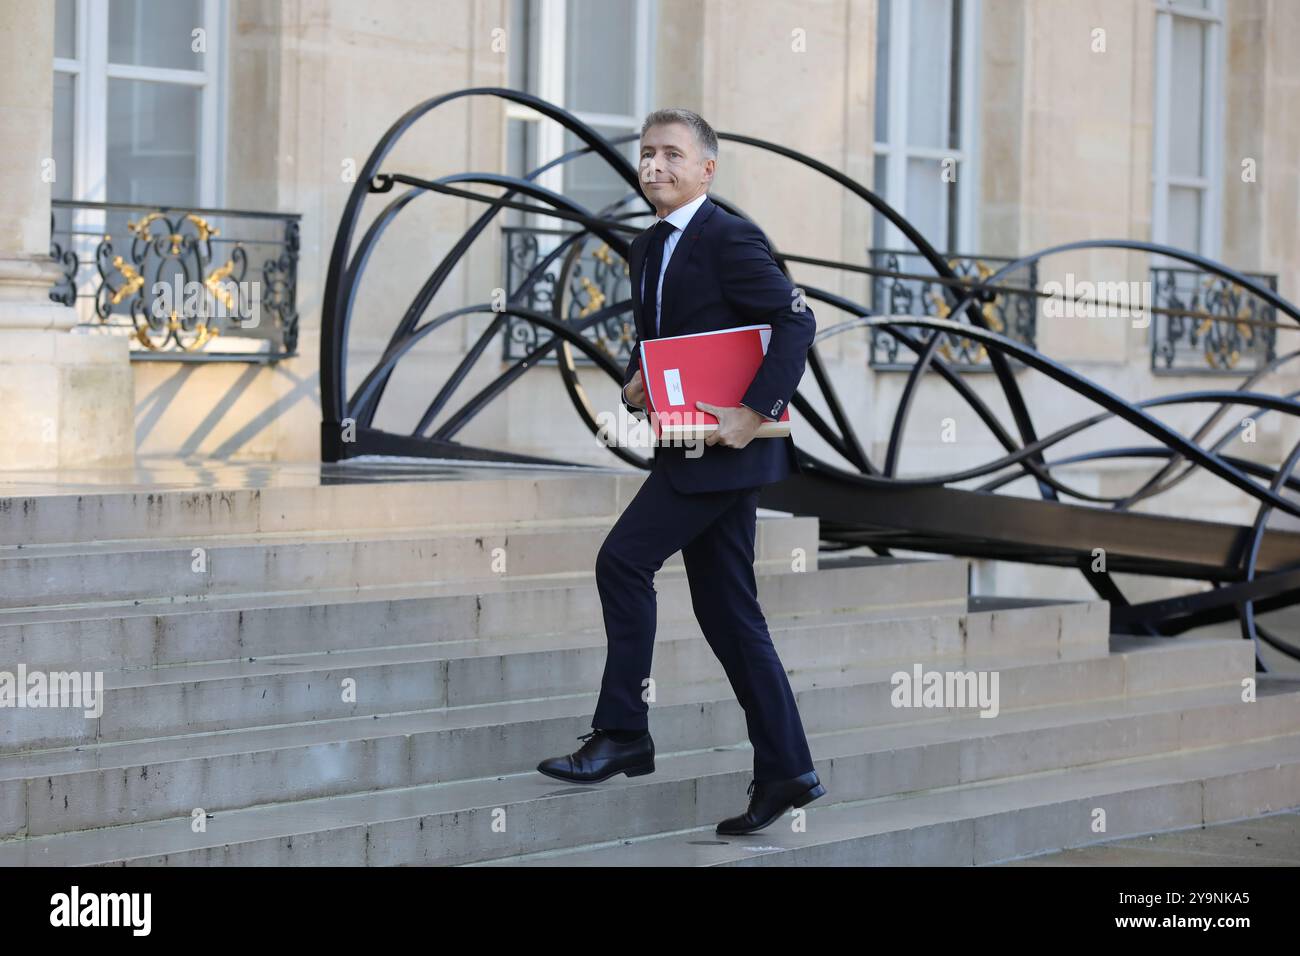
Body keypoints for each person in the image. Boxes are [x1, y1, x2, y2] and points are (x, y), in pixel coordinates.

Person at [536, 108, 824, 835]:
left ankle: (623, 731)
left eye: (671, 154)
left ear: (706, 169)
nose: (655, 165)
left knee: (622, 562)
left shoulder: (729, 236)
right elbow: (668, 336)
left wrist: (753, 412)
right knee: (729, 616)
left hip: (724, 452)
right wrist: (638, 378)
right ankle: (788, 769)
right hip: (687, 444)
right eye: (647, 154)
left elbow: (795, 320)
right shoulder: (645, 247)